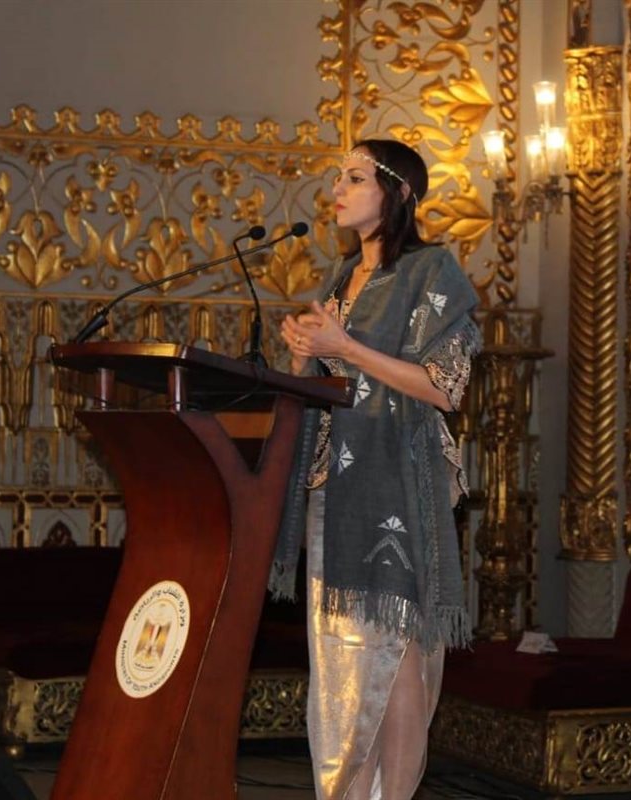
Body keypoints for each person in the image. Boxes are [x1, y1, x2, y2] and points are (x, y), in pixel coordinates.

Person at [269, 139, 481, 800]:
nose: (337, 188)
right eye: (338, 176)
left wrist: (345, 347)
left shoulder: (431, 271)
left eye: (355, 177)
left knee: (397, 659)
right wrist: (304, 357)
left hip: (400, 487)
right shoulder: (340, 280)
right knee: (343, 661)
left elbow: (443, 387)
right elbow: (330, 387)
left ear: (399, 192)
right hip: (338, 491)